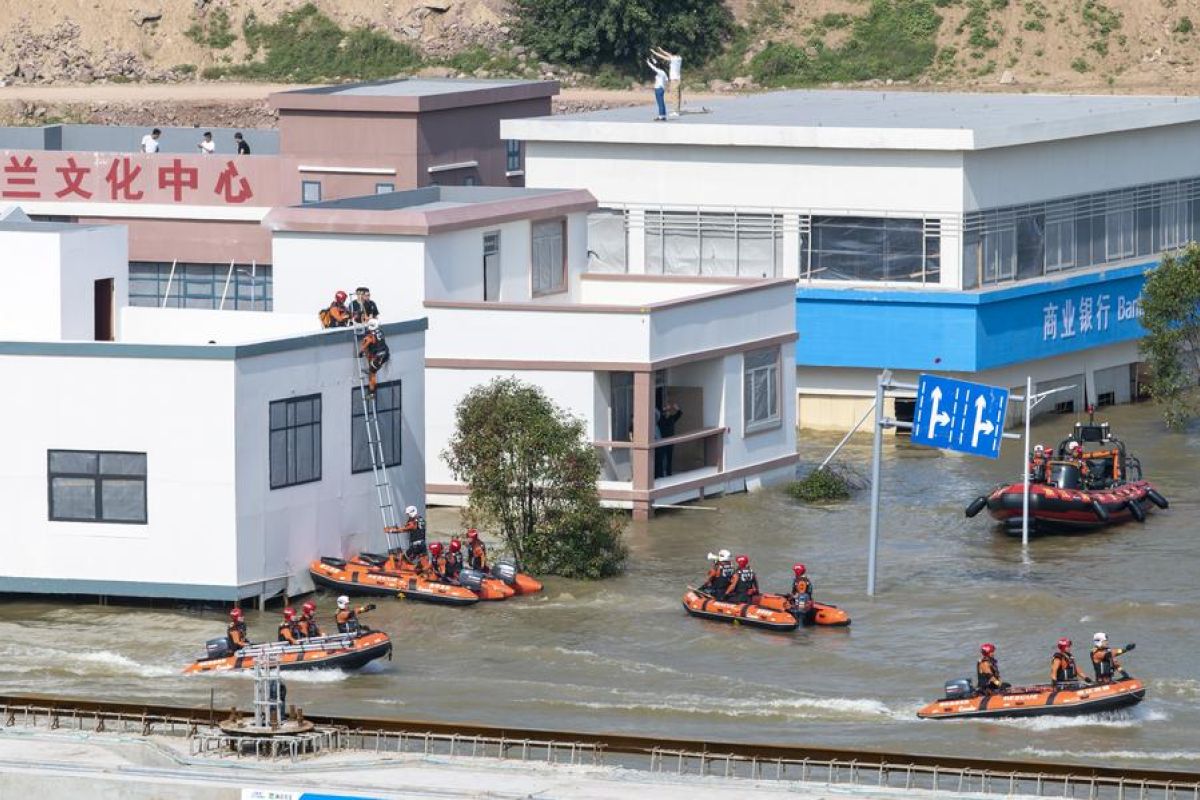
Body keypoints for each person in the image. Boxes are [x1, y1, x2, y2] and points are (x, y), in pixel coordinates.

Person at [359, 319, 391, 397]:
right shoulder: (380, 332)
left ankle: (372, 393)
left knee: (372, 373)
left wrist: (361, 352)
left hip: (379, 356)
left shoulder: (371, 335)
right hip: (385, 354)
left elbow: (367, 344)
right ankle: (372, 367)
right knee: (373, 369)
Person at [654, 399, 683, 478]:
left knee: (669, 457)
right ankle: (660, 474)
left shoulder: (672, 418)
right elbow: (657, 413)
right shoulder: (660, 420)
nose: (667, 413)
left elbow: (680, 413)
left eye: (669, 412)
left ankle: (669, 473)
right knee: (661, 458)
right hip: (662, 441)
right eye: (666, 412)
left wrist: (676, 408)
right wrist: (665, 408)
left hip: (670, 441)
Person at [650, 46, 683, 115]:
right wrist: (661, 50)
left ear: (672, 53)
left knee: (674, 95)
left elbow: (663, 57)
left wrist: (655, 52)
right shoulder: (679, 58)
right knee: (677, 95)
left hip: (674, 80)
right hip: (678, 79)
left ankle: (676, 111)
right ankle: (677, 110)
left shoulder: (673, 59)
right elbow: (669, 55)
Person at [646, 57, 668, 121]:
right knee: (662, 103)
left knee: (660, 103)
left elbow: (653, 67)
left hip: (658, 89)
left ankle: (660, 116)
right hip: (662, 88)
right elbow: (667, 80)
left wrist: (648, 62)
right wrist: (653, 59)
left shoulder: (660, 72)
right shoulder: (664, 72)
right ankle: (663, 115)